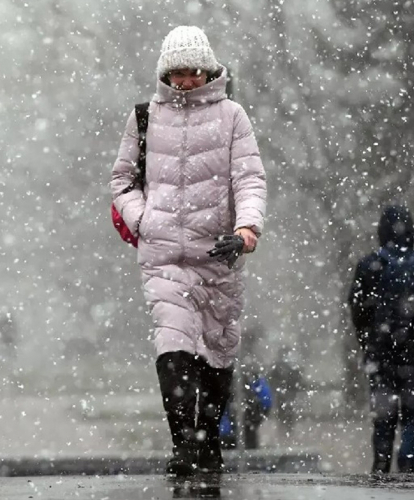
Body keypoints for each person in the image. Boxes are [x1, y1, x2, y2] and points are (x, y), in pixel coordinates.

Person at [110, 25, 267, 477]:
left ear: (208, 70)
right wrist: (144, 220)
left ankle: (208, 437)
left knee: (218, 353)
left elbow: (250, 178)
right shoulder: (145, 117)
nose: (183, 82)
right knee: (173, 344)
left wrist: (246, 229)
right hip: (164, 257)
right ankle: (184, 444)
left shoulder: (233, 116)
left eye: (191, 72)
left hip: (218, 254)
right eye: (175, 73)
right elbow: (122, 180)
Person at [348, 205, 414, 474]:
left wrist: (370, 342)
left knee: (383, 419)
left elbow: (357, 313)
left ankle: (381, 465)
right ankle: (408, 461)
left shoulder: (369, 265)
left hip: (381, 358)